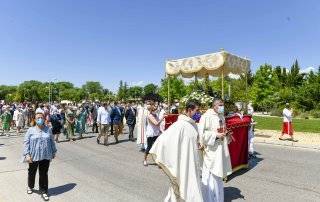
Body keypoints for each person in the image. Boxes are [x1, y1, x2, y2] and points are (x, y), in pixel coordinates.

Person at [150, 100, 203, 202]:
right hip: (183, 165)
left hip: (193, 163)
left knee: (192, 188)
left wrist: (198, 145)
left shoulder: (194, 125)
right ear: (189, 110)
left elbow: (193, 141)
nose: (199, 113)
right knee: (183, 189)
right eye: (197, 110)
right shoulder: (179, 125)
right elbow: (162, 140)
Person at [198, 99, 232, 202]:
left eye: (223, 105)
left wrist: (227, 133)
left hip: (220, 150)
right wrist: (216, 135)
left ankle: (218, 199)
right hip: (211, 151)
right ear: (214, 105)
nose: (222, 107)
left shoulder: (221, 116)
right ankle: (208, 199)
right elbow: (201, 135)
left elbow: (222, 129)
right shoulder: (206, 116)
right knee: (210, 177)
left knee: (218, 176)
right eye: (220, 105)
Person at [22, 111, 57, 201]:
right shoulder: (31, 130)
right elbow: (26, 143)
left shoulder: (48, 129)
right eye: (38, 118)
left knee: (44, 174)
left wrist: (53, 152)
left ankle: (44, 191)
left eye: (41, 118)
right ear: (35, 119)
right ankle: (30, 186)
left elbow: (52, 141)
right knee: (32, 172)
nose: (40, 119)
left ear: (44, 119)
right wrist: (27, 155)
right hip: (33, 155)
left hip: (45, 155)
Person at [143, 101, 165, 166]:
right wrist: (162, 118)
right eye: (155, 109)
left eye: (156, 109)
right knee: (149, 147)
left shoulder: (155, 115)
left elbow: (158, 125)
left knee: (158, 146)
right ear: (151, 110)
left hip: (156, 132)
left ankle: (158, 161)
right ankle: (145, 160)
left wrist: (160, 130)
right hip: (151, 133)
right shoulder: (149, 116)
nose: (156, 110)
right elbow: (156, 123)